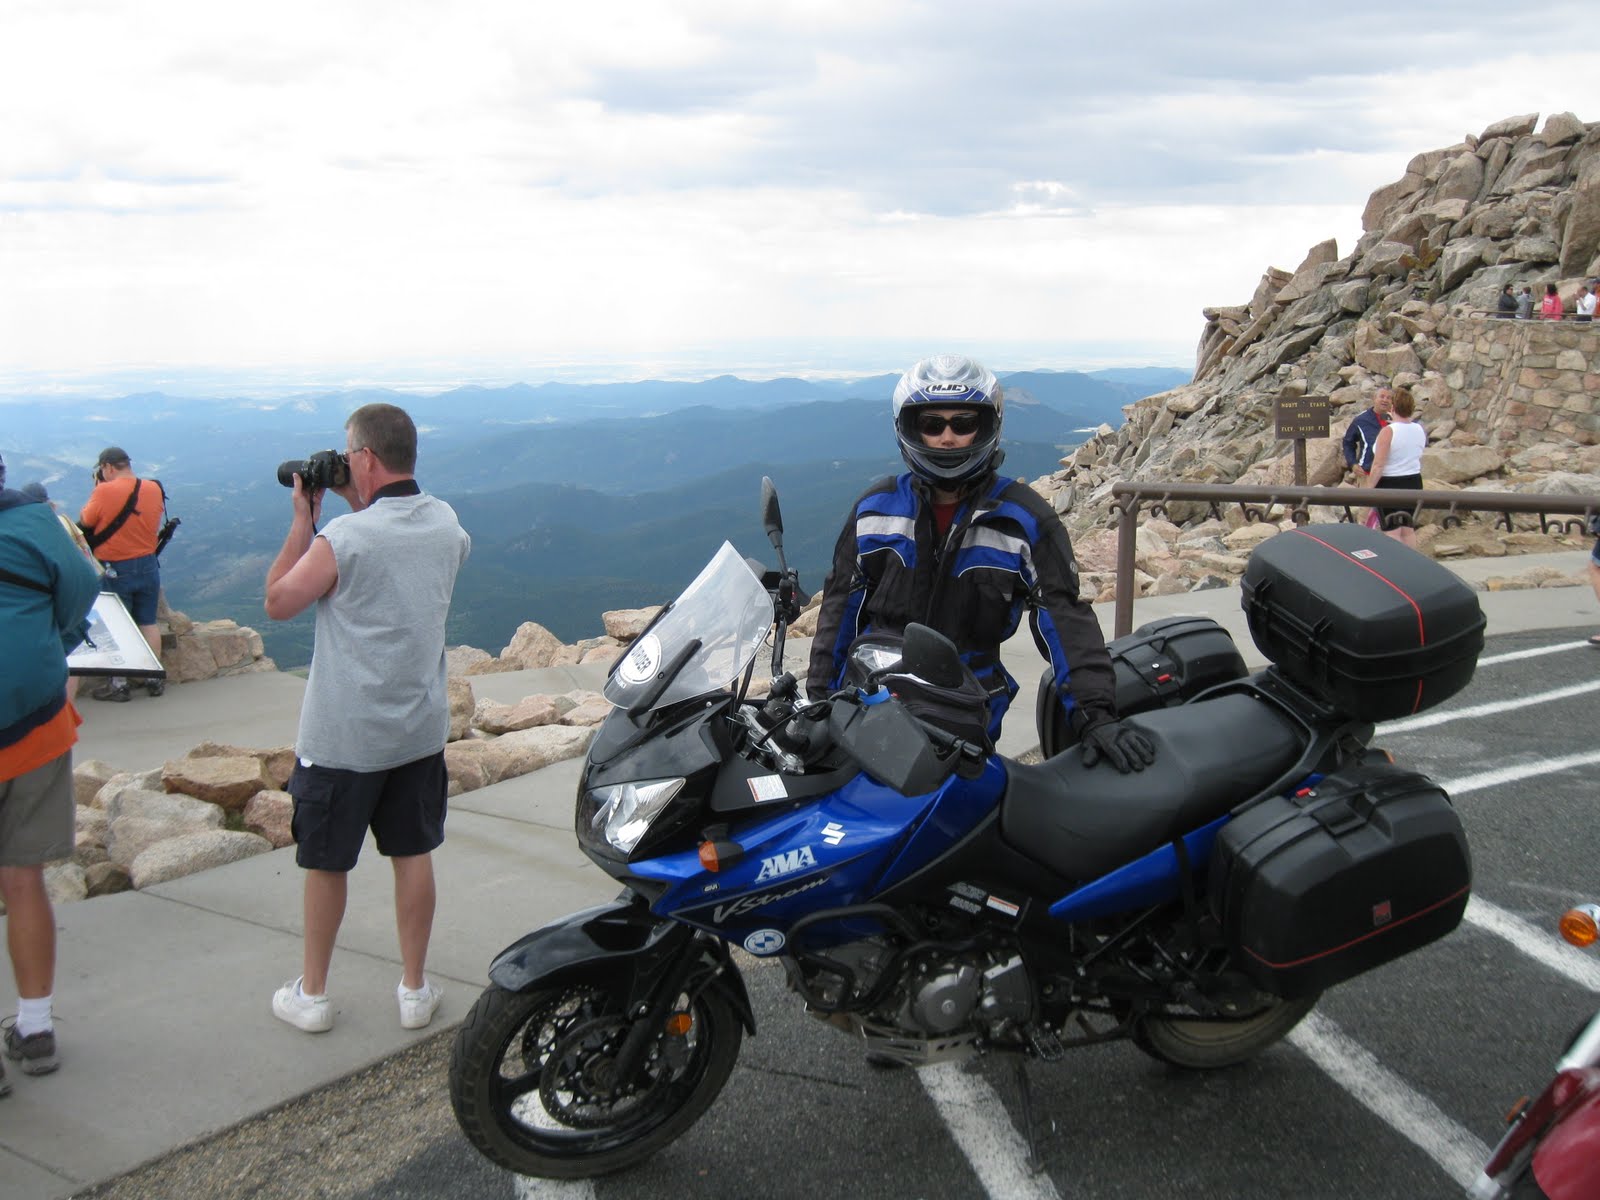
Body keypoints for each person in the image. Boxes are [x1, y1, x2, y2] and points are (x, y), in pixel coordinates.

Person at [807, 354, 1154, 773]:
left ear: (987, 427)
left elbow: (1064, 617)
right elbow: (839, 610)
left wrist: (1095, 715)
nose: (947, 438)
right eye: (932, 425)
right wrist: (819, 702)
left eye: (963, 423)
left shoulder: (1022, 520)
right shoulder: (874, 511)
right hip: (874, 702)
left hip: (965, 709)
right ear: (909, 429)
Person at [264, 403, 470, 1034]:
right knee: (413, 853)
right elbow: (399, 553)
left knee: (327, 863)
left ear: (365, 458)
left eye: (348, 451)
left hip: (343, 739)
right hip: (416, 731)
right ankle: (414, 989)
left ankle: (314, 994)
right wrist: (363, 505)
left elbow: (278, 602)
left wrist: (305, 520)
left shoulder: (345, 539)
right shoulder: (445, 523)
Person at [0, 453, 100, 1095]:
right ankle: (35, 1026)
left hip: (32, 726)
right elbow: (85, 586)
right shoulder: (38, 524)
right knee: (23, 877)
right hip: (32, 724)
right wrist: (54, 644)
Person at [78, 447, 167, 701]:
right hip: (149, 564)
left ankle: (118, 685)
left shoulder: (104, 490)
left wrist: (98, 488)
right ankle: (153, 678)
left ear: (107, 467)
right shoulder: (153, 488)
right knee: (148, 622)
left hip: (116, 567)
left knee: (115, 626)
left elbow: (86, 521)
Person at [22, 482, 100, 704]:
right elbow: (84, 562)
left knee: (48, 655)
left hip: (44, 601)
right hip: (72, 597)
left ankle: (51, 704)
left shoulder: (26, 528)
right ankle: (68, 705)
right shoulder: (63, 522)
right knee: (70, 653)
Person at [1364, 387, 1427, 549]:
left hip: (1390, 483)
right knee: (1408, 529)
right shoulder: (1418, 429)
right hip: (1413, 480)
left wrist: (1368, 488)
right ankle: (1411, 564)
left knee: (1392, 530)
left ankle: (1397, 564)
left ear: (1392, 407)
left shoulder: (1388, 431)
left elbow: (1378, 464)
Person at [1341, 386, 1394, 482]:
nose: (1385, 400)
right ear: (1374, 398)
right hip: (1367, 473)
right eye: (1382, 397)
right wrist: (1353, 463)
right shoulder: (1361, 420)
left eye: (1388, 398)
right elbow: (1348, 442)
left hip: (1392, 474)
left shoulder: (1397, 421)